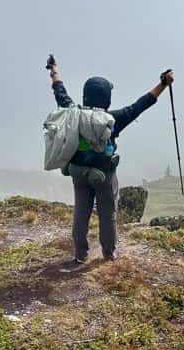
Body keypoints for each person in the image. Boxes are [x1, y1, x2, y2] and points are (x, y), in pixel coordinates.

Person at [47, 58, 174, 263]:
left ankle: (80, 254)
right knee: (107, 214)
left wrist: (53, 69)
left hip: (78, 172)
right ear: (106, 97)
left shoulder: (73, 112)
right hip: (104, 175)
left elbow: (59, 91)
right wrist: (163, 84)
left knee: (81, 213)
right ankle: (109, 254)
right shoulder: (113, 119)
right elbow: (140, 105)